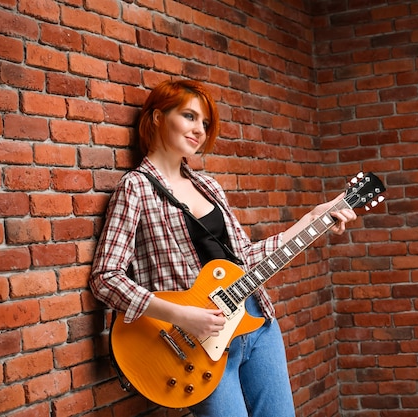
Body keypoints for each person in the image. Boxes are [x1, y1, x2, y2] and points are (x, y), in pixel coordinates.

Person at [89, 79, 357, 417]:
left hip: (256, 323)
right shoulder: (135, 189)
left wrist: (313, 219)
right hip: (195, 345)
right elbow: (105, 278)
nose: (199, 130)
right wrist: (183, 315)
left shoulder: (209, 187)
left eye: (204, 123)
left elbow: (246, 259)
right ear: (157, 117)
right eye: (189, 116)